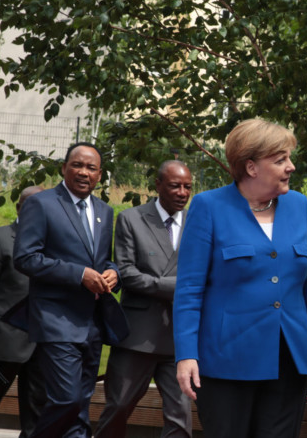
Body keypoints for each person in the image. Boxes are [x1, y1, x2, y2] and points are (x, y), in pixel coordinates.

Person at [174, 118, 307, 438]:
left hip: (289, 359)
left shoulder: (297, 205)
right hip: (226, 359)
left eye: (288, 158)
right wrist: (186, 355)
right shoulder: (209, 207)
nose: (290, 166)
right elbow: (189, 290)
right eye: (280, 160)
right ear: (251, 167)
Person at [13, 142, 128, 438]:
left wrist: (113, 272)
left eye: (91, 168)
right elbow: (26, 257)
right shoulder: (42, 204)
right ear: (64, 168)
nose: (83, 172)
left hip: (92, 323)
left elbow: (104, 259)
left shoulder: (105, 210)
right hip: (55, 320)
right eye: (77, 165)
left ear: (100, 175)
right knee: (67, 399)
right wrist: (79, 274)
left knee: (80, 407)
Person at [96, 160, 194, 438]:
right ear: (158, 185)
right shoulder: (132, 218)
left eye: (188, 187)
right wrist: (179, 286)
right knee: (118, 406)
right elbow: (126, 274)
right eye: (175, 186)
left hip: (180, 338)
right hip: (138, 335)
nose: (182, 192)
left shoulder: (196, 222)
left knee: (180, 417)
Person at [0, 185, 45, 437]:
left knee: (36, 420)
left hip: (42, 346)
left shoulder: (55, 243)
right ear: (19, 207)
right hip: (2, 344)